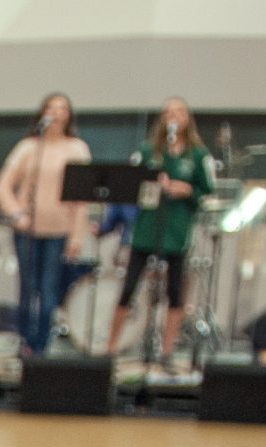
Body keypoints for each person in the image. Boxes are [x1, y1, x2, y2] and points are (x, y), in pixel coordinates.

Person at [108, 97, 215, 369]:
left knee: (175, 291)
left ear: (188, 118)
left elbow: (206, 191)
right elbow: (131, 186)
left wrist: (187, 190)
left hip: (177, 231)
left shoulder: (198, 155)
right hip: (147, 229)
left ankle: (166, 351)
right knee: (129, 287)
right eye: (169, 112)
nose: (174, 116)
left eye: (179, 112)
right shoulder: (149, 151)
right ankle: (110, 349)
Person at [0, 92, 91, 358]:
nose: (57, 113)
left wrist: (76, 237)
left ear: (69, 115)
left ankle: (41, 347)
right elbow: (1, 187)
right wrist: (16, 214)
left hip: (58, 231)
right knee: (27, 289)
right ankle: (24, 344)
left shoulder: (77, 148)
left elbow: (82, 199)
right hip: (27, 230)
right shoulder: (28, 147)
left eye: (62, 109)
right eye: (51, 108)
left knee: (48, 292)